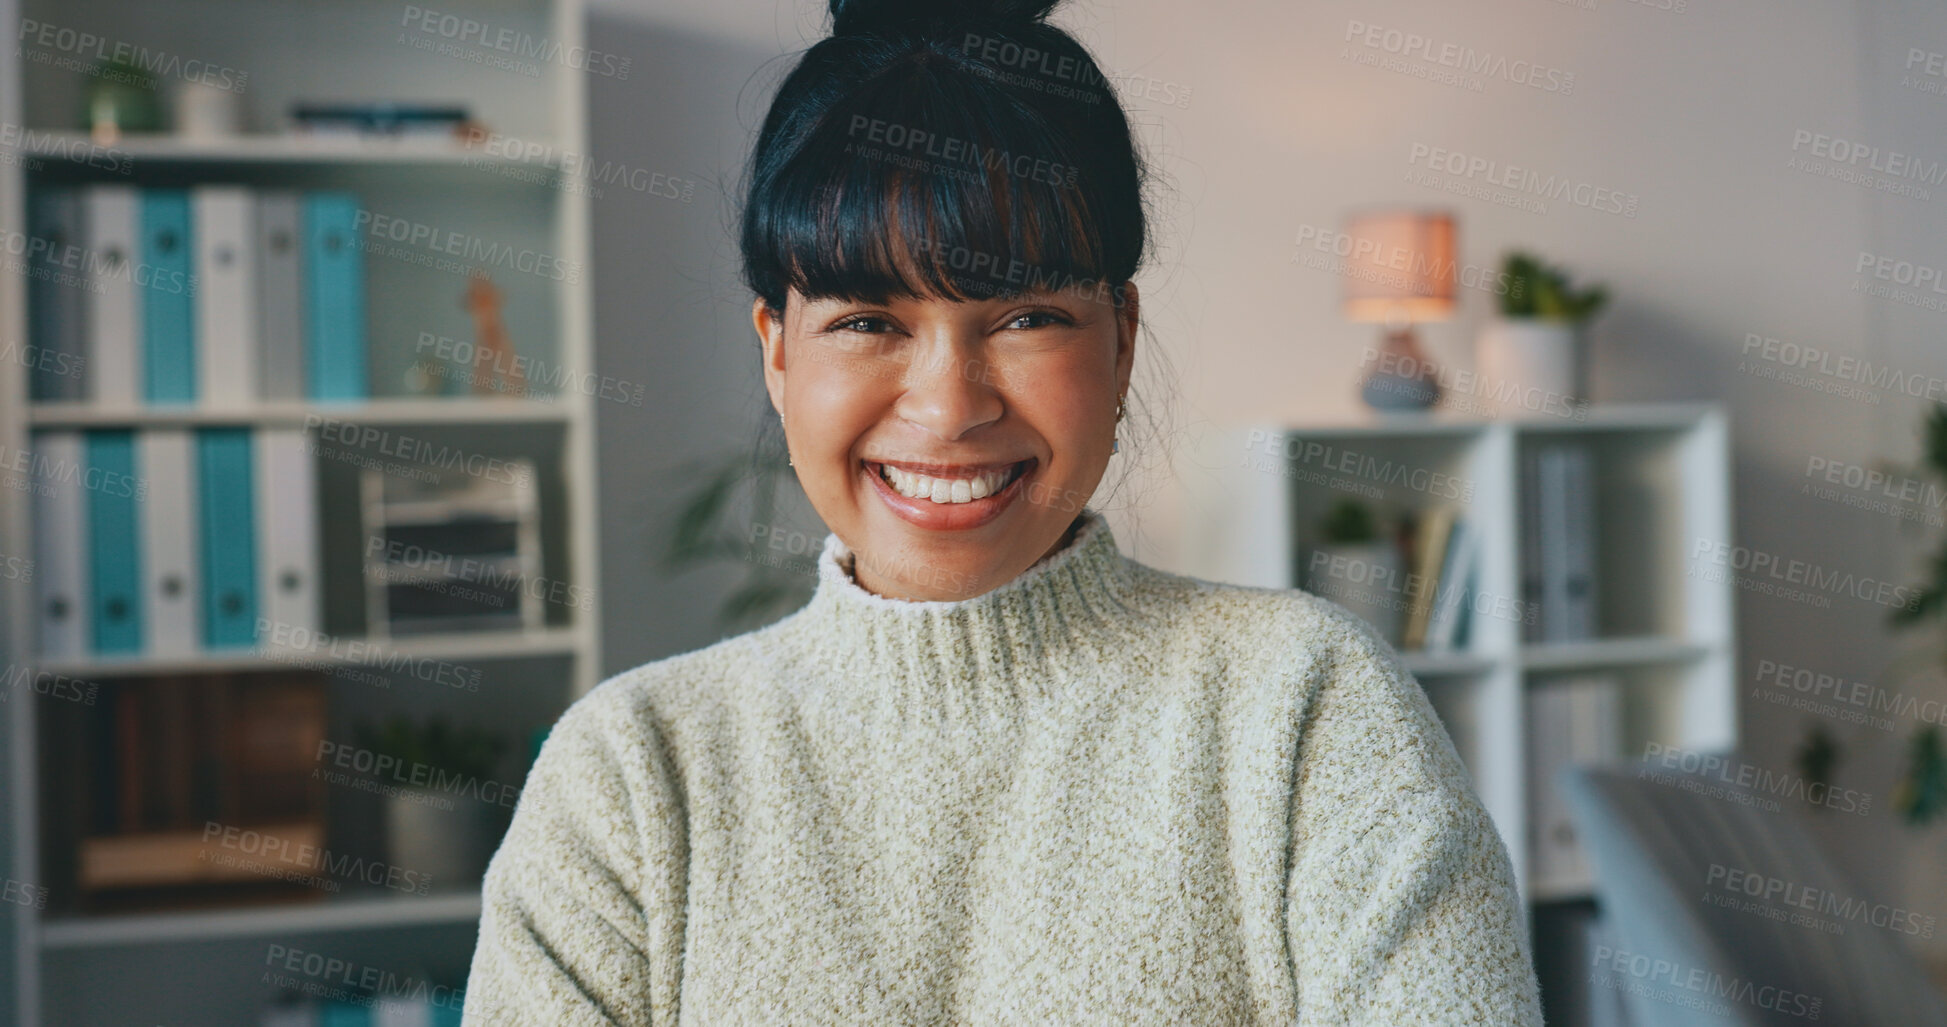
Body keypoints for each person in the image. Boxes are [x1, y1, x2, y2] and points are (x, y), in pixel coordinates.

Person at [463, 0, 1544, 1022]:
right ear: (777, 353)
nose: (949, 406)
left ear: (1120, 342)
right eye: (867, 320)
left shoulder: (1309, 710)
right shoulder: (631, 777)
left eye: (1026, 316)